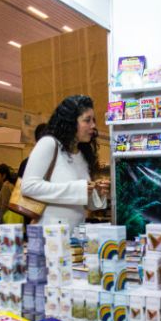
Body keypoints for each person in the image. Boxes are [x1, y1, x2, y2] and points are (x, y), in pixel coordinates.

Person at [19, 97, 109, 230]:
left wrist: (97, 194)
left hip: (76, 238)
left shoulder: (83, 154)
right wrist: (78, 189)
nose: (93, 125)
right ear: (71, 122)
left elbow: (84, 204)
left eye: (93, 120)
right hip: (49, 237)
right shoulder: (49, 144)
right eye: (87, 120)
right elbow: (28, 186)